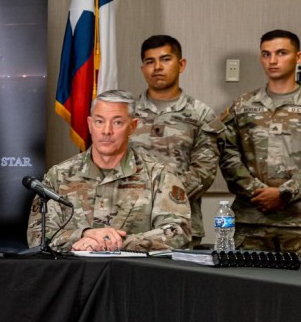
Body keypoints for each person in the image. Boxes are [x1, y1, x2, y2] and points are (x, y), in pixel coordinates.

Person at [27, 90, 190, 253]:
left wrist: (118, 242)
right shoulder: (59, 176)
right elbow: (37, 236)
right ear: (90, 124)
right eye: (99, 121)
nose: (106, 131)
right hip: (75, 275)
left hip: (134, 275)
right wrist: (82, 235)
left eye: (117, 122)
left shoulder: (159, 175)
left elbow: (178, 232)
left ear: (132, 126)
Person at [130, 34, 220, 246]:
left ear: (181, 64)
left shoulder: (201, 114)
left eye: (165, 59)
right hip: (128, 223)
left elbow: (204, 172)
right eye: (150, 61)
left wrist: (160, 196)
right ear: (143, 68)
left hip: (180, 224)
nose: (157, 67)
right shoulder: (126, 113)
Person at [218, 29, 301, 252]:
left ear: (298, 57)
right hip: (251, 221)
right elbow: (227, 153)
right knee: (246, 285)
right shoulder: (243, 105)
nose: (272, 61)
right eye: (266, 54)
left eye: (281, 53)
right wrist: (255, 190)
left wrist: (286, 193)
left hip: (297, 222)